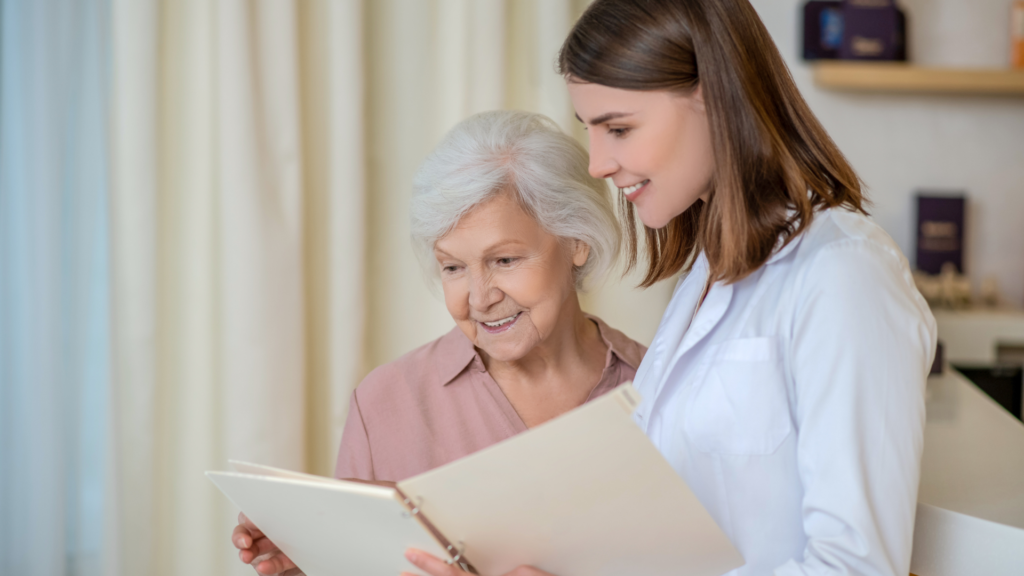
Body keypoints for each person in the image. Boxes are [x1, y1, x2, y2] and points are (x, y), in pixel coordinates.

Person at [406, 1, 937, 576]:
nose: (598, 165)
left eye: (619, 128)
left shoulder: (844, 272)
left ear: (712, 95)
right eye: (590, 130)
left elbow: (856, 568)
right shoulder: (708, 277)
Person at [230, 110, 647, 576]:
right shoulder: (385, 404)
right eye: (453, 267)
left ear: (577, 241)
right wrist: (316, 564)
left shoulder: (659, 389)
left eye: (505, 260)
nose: (479, 298)